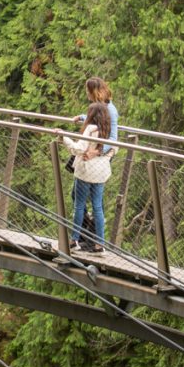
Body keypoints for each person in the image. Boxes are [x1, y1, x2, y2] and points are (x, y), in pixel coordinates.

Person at [59, 102, 113, 254]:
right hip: (101, 172)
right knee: (97, 207)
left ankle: (74, 240)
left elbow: (78, 149)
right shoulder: (108, 129)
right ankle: (99, 244)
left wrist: (64, 136)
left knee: (79, 205)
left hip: (86, 171)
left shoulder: (90, 129)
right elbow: (112, 149)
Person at [74, 77, 119, 154]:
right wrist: (81, 117)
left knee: (73, 165)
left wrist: (96, 152)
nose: (87, 92)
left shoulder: (110, 110)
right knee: (72, 165)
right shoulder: (98, 106)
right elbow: (97, 119)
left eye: (88, 90)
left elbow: (113, 138)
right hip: (90, 146)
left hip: (99, 152)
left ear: (94, 92)